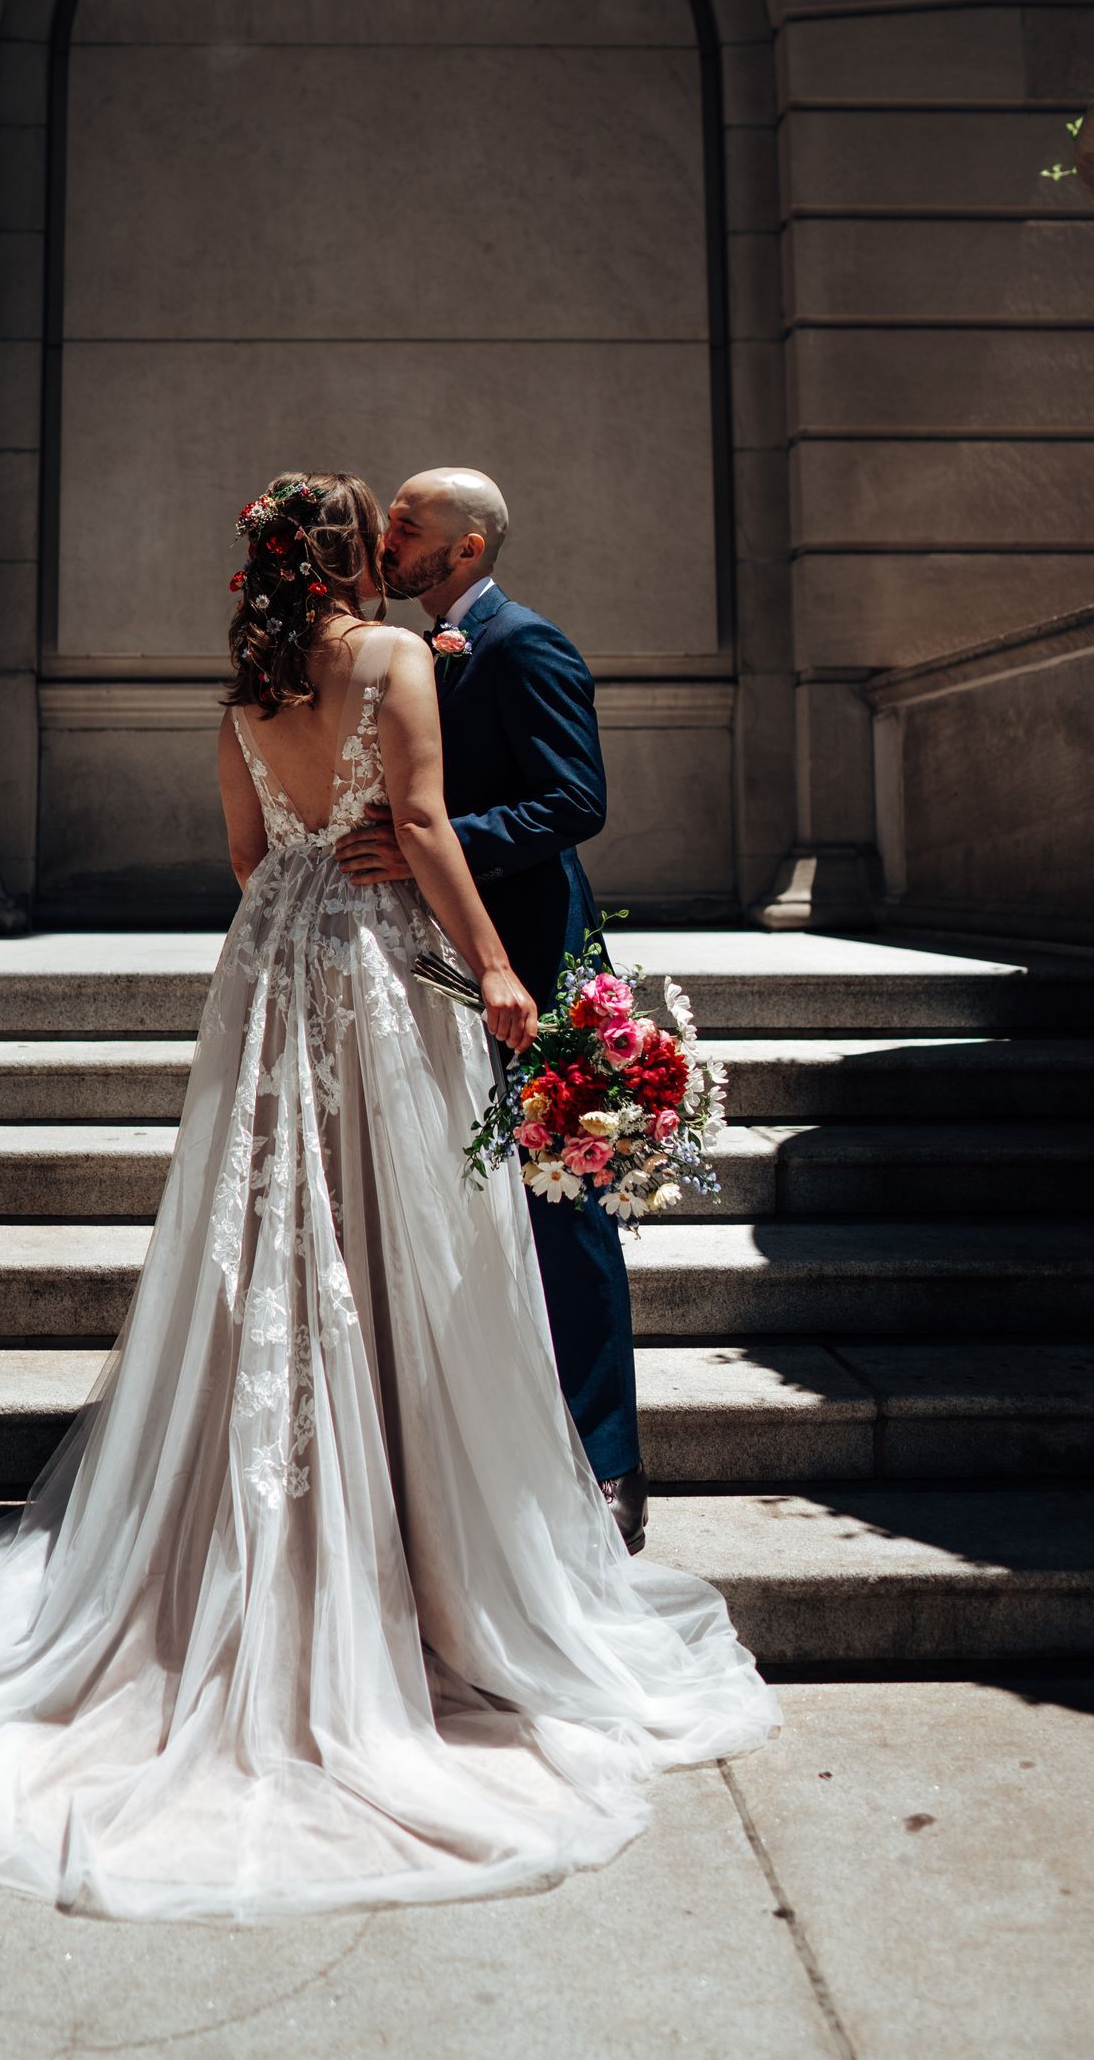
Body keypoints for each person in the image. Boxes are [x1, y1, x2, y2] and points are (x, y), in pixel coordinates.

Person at [0, 471, 773, 1921]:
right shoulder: (400, 657)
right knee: (401, 1232)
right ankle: (433, 1542)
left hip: (272, 958)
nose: (402, 544)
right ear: (360, 556)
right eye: (383, 529)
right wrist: (497, 966)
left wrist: (313, 855)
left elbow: (241, 857)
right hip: (376, 963)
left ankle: (256, 1545)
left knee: (279, 1225)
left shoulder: (244, 691)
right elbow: (419, 818)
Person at [338, 469, 646, 1550]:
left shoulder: (526, 645)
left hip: (531, 958)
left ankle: (609, 1466)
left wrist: (436, 844)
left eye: (410, 525)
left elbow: (577, 799)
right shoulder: (405, 652)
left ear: (466, 551)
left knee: (566, 1210)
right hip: (429, 965)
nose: (389, 536)